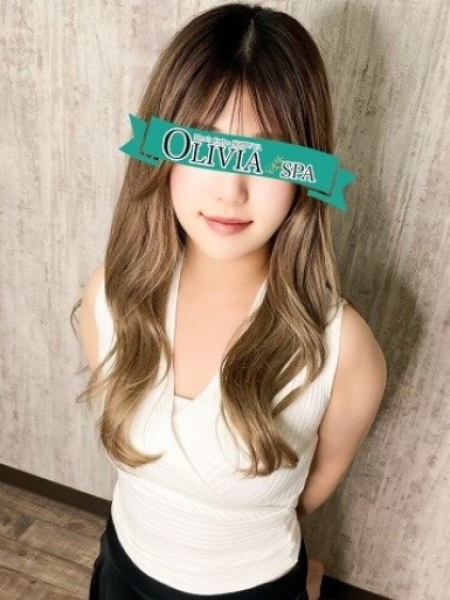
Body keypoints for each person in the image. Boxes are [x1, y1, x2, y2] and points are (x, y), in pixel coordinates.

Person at [73, 3, 387, 599]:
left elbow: (319, 481)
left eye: (267, 157)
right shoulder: (110, 295)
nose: (230, 191)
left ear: (306, 171)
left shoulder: (346, 350)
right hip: (122, 568)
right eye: (203, 147)